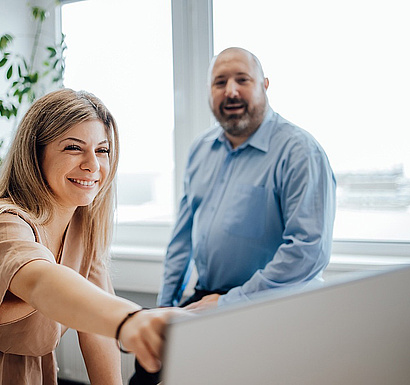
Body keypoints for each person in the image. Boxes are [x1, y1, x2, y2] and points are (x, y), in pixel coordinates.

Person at [0, 89, 185, 385]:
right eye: (73, 148)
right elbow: (41, 280)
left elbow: (97, 331)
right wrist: (129, 320)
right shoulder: (0, 221)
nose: (92, 164)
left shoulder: (83, 225)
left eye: (102, 150)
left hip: (27, 370)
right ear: (35, 154)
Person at [129, 47, 336, 384]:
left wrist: (230, 303)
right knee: (148, 374)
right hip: (206, 296)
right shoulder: (200, 149)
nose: (231, 91)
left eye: (242, 79)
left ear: (264, 85)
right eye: (220, 82)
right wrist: (161, 310)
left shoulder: (300, 152)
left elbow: (308, 250)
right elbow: (182, 238)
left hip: (270, 306)